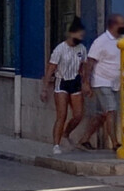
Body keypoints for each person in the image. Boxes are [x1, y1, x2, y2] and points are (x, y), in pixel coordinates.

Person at [79, 14, 124, 150]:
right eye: (122, 24)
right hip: (102, 81)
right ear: (113, 25)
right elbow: (90, 62)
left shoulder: (123, 40)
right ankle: (115, 143)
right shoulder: (100, 42)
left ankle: (84, 140)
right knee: (111, 110)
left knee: (102, 115)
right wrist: (86, 83)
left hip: (116, 83)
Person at [43, 18, 88, 153]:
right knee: (61, 115)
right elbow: (51, 68)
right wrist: (45, 88)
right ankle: (56, 144)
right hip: (62, 82)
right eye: (79, 35)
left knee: (78, 115)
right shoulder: (60, 49)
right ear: (71, 34)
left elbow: (83, 67)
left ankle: (66, 133)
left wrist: (85, 82)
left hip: (75, 81)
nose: (80, 38)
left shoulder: (82, 49)